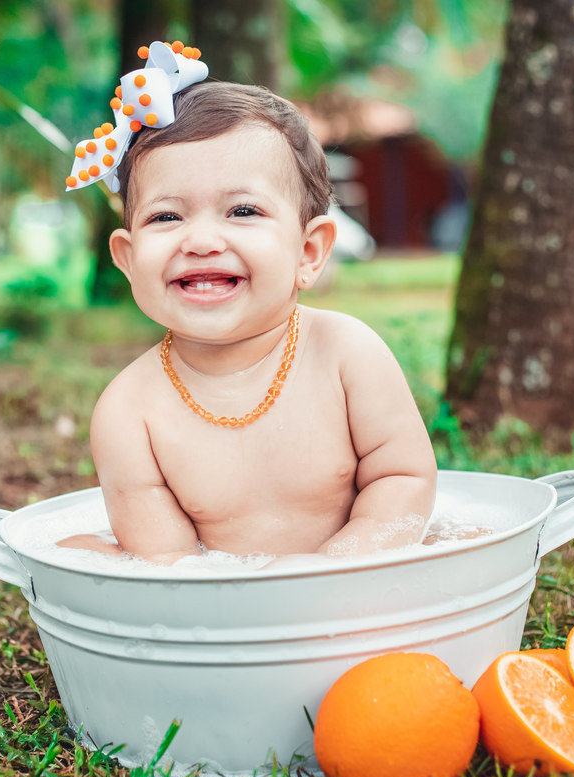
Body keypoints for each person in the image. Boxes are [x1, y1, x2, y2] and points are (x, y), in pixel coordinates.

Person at [60, 44, 437, 565]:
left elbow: (404, 479)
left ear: (308, 252)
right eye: (167, 217)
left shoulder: (347, 355)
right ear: (127, 259)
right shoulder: (128, 413)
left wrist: (329, 574)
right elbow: (170, 567)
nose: (201, 240)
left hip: (356, 595)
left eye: (241, 210)